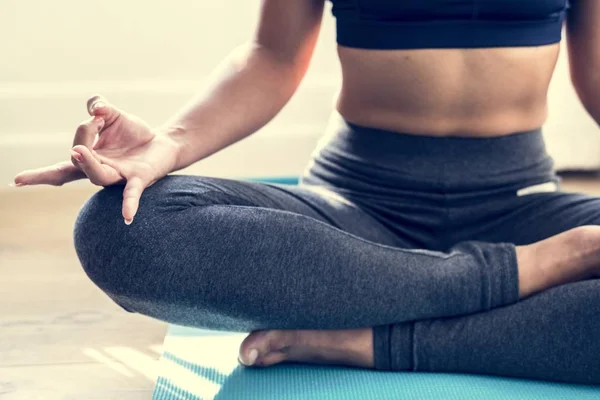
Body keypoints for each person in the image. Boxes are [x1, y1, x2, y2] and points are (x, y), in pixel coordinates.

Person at [12, 0, 600, 384]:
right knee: (121, 229)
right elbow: (273, 56)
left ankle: (369, 338)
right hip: (357, 209)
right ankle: (515, 276)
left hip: (521, 205)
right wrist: (168, 143)